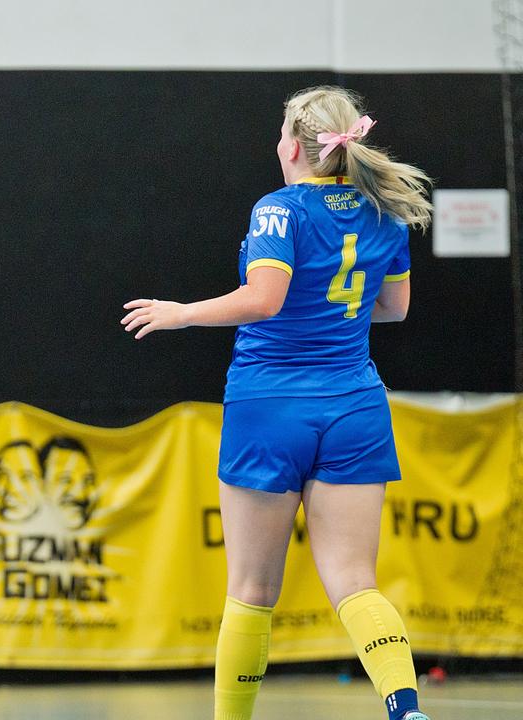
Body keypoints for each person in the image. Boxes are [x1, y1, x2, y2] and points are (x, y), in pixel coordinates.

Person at [120, 86, 432, 720]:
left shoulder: (279, 210)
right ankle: (404, 707)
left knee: (252, 589)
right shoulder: (385, 212)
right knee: (354, 579)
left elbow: (264, 299)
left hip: (271, 403)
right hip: (354, 404)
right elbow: (394, 308)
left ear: (291, 145)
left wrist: (181, 314)